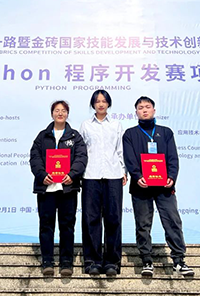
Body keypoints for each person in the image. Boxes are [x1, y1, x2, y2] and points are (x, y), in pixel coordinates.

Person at [123, 96, 195, 277]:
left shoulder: (166, 132)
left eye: (147, 107)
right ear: (136, 112)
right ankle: (146, 260)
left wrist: (172, 177)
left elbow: (173, 158)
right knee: (143, 224)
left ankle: (179, 260)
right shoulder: (130, 134)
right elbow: (129, 159)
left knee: (172, 221)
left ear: (154, 110)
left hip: (164, 186)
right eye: (140, 107)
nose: (144, 110)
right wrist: (137, 176)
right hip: (141, 186)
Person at [30, 100, 87, 276]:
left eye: (63, 110)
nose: (60, 113)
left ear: (67, 114)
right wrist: (42, 175)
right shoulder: (43, 136)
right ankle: (47, 261)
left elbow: (81, 158)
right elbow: (34, 158)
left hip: (67, 189)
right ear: (52, 113)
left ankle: (66, 262)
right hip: (46, 189)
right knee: (46, 226)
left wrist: (72, 175)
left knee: (67, 226)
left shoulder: (75, 137)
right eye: (56, 110)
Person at [79, 90, 126, 277]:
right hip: (90, 175)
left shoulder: (116, 125)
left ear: (108, 104)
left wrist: (123, 171)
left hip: (113, 175)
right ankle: (92, 261)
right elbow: (81, 151)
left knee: (113, 219)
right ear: (93, 104)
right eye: (97, 101)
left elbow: (120, 150)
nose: (101, 104)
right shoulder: (85, 125)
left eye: (104, 101)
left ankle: (112, 262)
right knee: (91, 219)